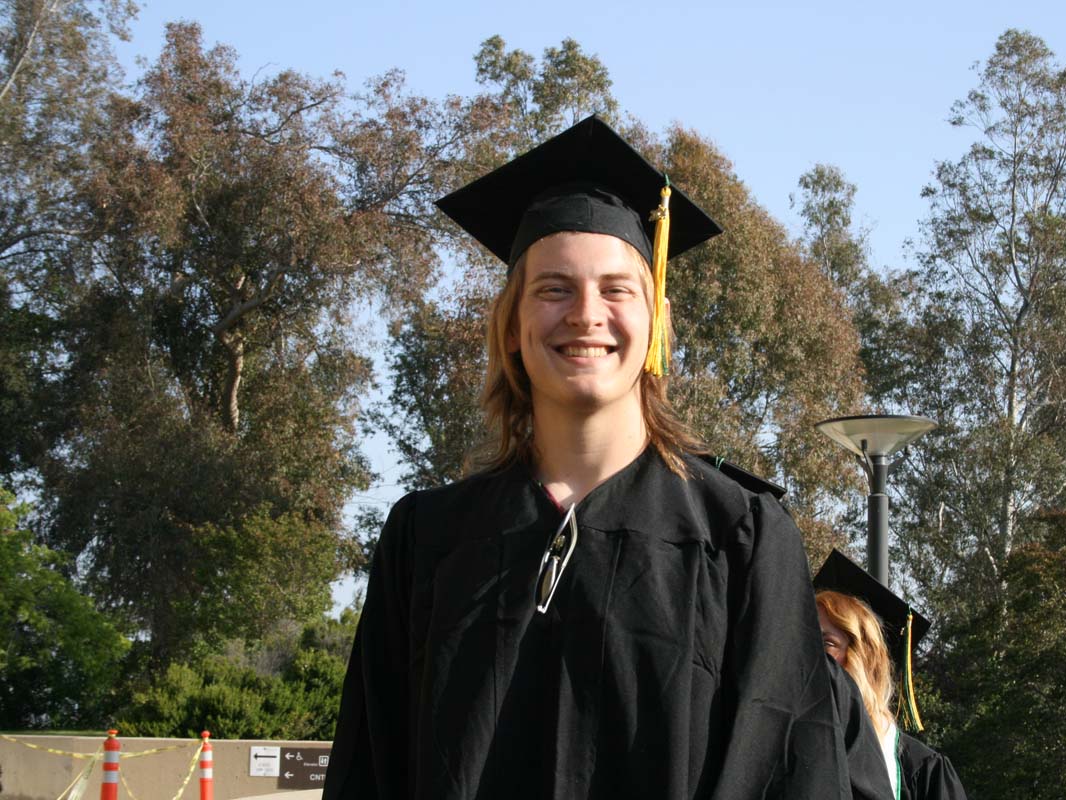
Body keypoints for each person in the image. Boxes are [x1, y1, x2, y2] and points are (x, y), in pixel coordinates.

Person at [322, 116, 878, 799]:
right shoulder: (428, 538)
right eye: (553, 289)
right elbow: (371, 770)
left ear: (656, 323)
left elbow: (785, 767)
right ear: (514, 326)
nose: (586, 314)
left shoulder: (739, 537)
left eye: (617, 289)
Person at [813, 550, 969, 800]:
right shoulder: (788, 748)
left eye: (826, 643)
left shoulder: (921, 771)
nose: (810, 656)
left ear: (865, 658)